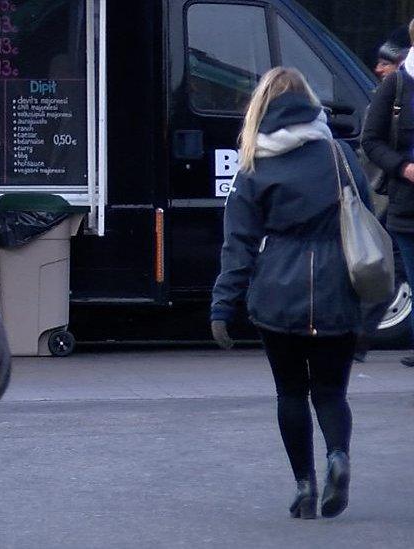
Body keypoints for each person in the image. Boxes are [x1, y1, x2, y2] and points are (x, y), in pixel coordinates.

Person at [211, 67, 369, 520]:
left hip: (277, 294)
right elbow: (364, 220)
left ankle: (304, 486)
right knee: (331, 392)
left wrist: (223, 305)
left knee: (290, 394)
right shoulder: (339, 155)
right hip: (338, 288)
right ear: (310, 105)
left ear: (261, 108)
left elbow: (237, 244)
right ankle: (338, 454)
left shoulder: (255, 164)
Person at [362, 18, 414, 368]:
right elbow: (371, 140)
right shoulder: (396, 85)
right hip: (409, 209)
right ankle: (359, 334)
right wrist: (404, 168)